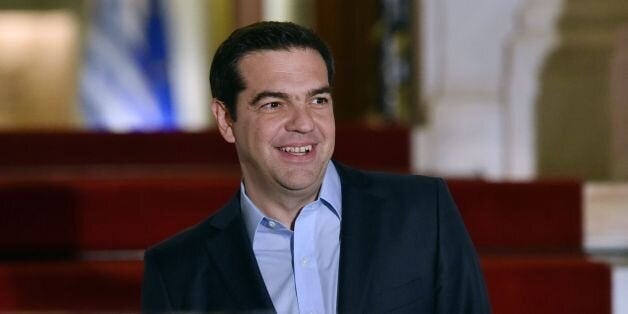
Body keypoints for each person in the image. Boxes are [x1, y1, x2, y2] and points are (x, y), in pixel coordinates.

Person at [142, 21, 490, 313]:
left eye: (318, 100)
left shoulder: (424, 213)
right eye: (274, 104)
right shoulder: (177, 271)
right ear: (225, 119)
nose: (304, 123)